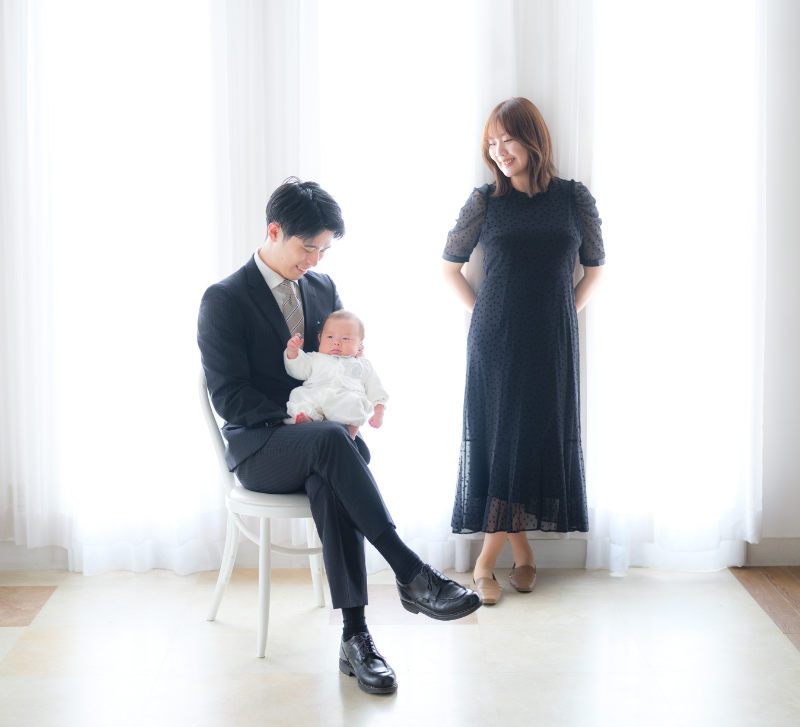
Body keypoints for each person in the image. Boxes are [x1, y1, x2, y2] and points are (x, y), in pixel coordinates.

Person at [198, 177, 480, 695]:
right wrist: (298, 420)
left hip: (324, 447)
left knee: (331, 473)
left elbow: (343, 365)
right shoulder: (225, 299)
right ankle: (411, 571)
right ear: (274, 231)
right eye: (308, 248)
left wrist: (353, 409)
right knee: (330, 444)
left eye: (324, 251)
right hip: (261, 447)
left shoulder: (322, 289)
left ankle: (356, 639)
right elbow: (228, 397)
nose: (315, 261)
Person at [442, 98, 606, 605]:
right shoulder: (485, 202)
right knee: (502, 441)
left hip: (552, 341)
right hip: (495, 340)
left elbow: (594, 270)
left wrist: (563, 312)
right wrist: (485, 312)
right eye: (491, 143)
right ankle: (485, 563)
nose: (499, 151)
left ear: (533, 138)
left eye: (507, 139)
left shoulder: (574, 198)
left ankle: (524, 554)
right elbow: (449, 267)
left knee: (530, 439)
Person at [284, 310, 387, 440]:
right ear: (320, 338)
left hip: (344, 399)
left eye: (345, 338)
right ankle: (308, 420)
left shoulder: (362, 364)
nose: (336, 342)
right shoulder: (314, 358)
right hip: (316, 394)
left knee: (354, 403)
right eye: (330, 337)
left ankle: (350, 433)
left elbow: (375, 388)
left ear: (360, 344)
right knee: (299, 395)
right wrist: (293, 351)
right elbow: (298, 370)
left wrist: (379, 412)